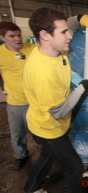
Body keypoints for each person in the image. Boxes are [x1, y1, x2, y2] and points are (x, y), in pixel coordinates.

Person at [23, 7, 88, 193]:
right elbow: (59, 111)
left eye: (68, 30)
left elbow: (70, 27)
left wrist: (81, 18)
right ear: (45, 35)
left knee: (47, 157)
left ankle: (31, 188)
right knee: (74, 167)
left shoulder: (54, 50)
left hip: (43, 122)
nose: (70, 36)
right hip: (49, 130)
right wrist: (84, 86)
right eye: (64, 32)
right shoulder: (43, 74)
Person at [0, 21, 36, 171]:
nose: (17, 39)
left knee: (38, 132)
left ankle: (46, 154)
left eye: (19, 35)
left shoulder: (34, 49)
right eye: (12, 36)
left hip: (36, 101)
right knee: (17, 133)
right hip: (15, 103)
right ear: (2, 37)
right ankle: (21, 156)